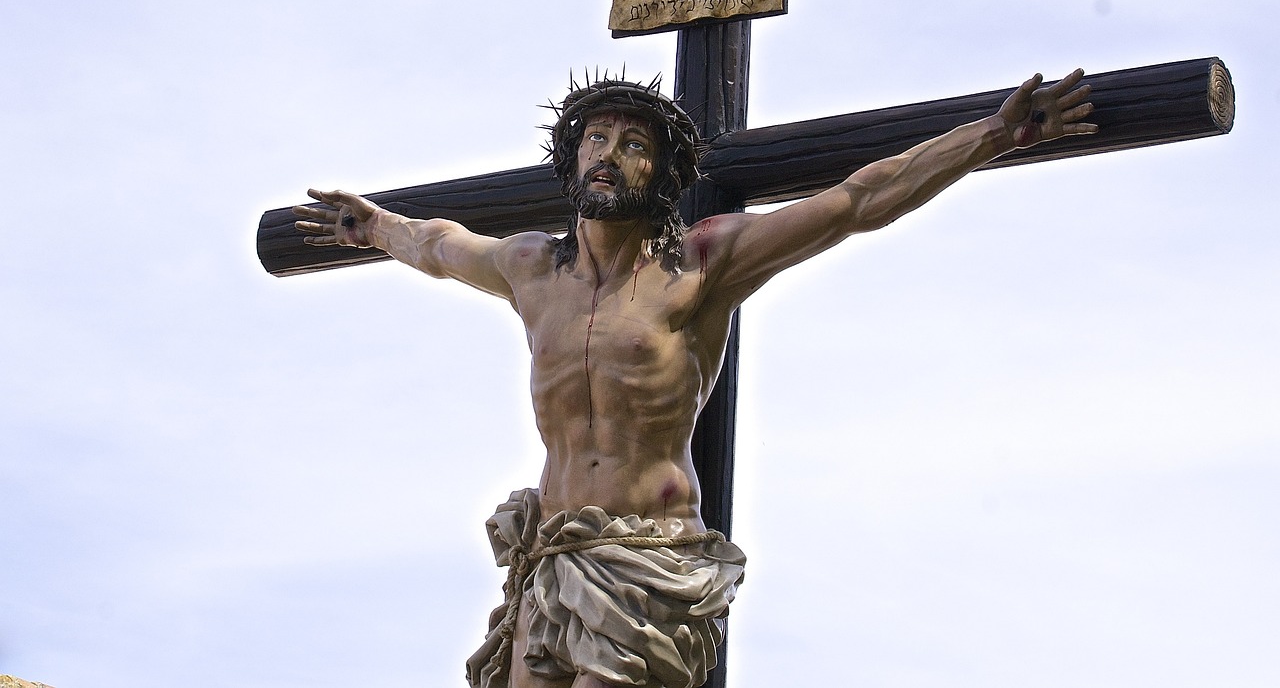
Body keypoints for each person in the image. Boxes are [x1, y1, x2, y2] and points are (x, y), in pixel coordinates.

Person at [293, 70, 1095, 688]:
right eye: (597, 138)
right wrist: (374, 226)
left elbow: (857, 201)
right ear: (573, 157)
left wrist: (993, 135)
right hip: (554, 557)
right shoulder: (531, 269)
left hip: (648, 561)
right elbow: (437, 244)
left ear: (661, 172)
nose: (610, 155)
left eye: (633, 145)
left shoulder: (700, 265)